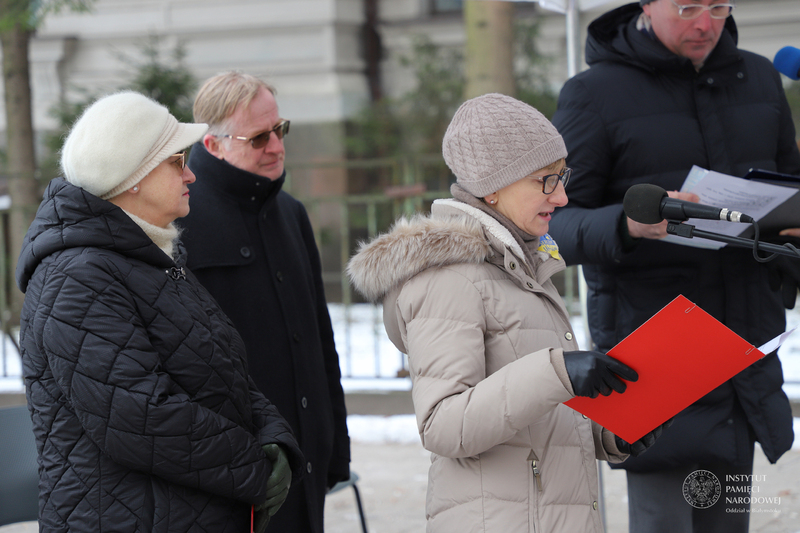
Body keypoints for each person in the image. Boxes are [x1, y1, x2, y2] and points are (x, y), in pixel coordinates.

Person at [347, 93, 668, 533]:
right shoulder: (449, 279)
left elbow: (530, 415)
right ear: (492, 187)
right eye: (545, 180)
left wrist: (609, 433)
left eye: (562, 176)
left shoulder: (520, 265)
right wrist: (558, 371)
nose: (563, 196)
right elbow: (444, 425)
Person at [548, 1, 800, 531]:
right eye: (686, 7)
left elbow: (787, 188)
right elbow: (552, 227)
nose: (705, 23)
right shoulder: (592, 94)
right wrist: (628, 224)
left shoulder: (757, 77)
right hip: (658, 359)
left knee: (729, 523)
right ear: (646, 5)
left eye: (717, 6)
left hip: (743, 357)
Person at [15, 91, 305, 533]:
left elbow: (225, 370)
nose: (190, 174)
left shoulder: (150, 258)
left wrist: (275, 439)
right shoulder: (75, 276)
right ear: (132, 175)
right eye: (176, 161)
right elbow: (138, 418)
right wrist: (256, 467)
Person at [180, 71, 351, 533]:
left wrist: (333, 445)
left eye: (280, 130)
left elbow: (318, 336)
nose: (276, 147)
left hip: (305, 456)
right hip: (233, 470)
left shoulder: (291, 213)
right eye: (258, 138)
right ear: (212, 145)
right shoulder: (181, 218)